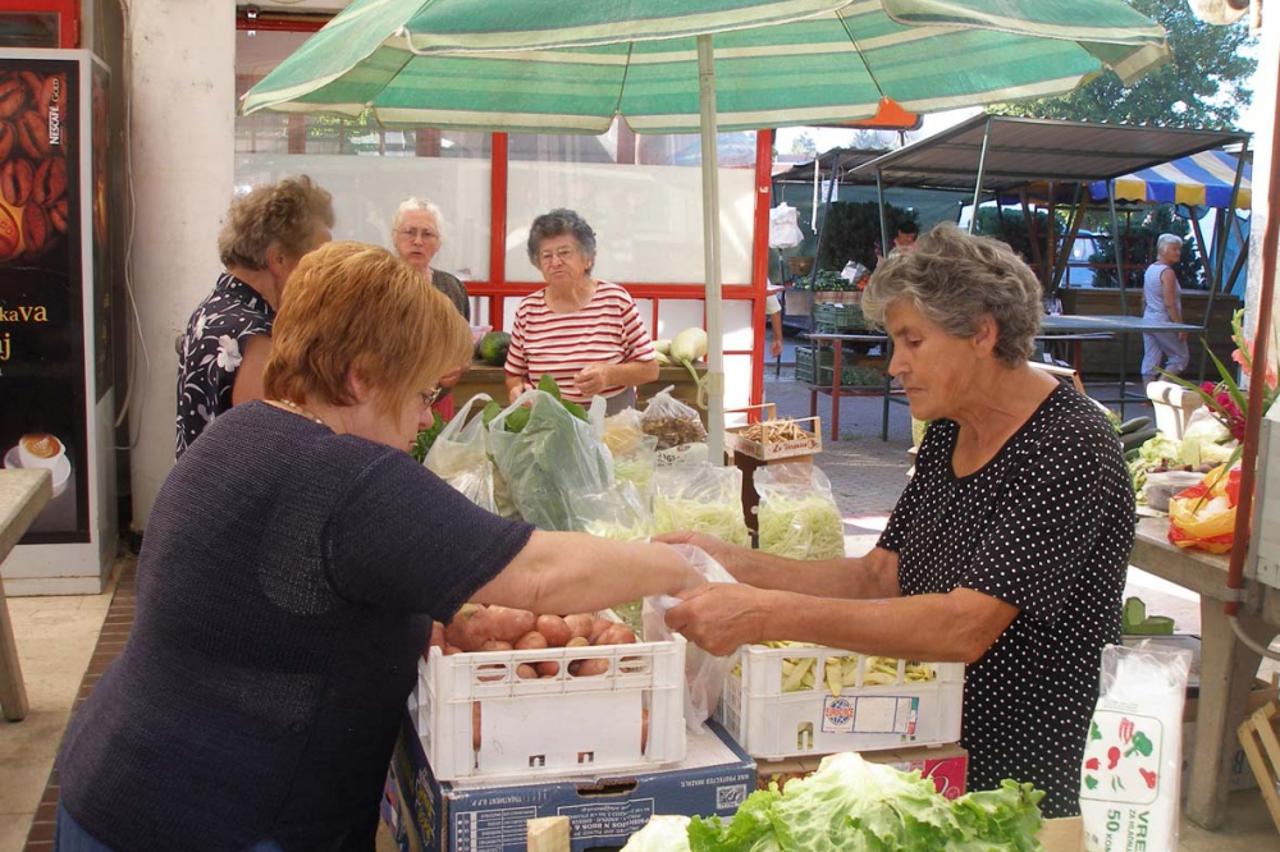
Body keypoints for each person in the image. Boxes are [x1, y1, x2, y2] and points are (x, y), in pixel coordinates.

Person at [56, 242, 700, 851]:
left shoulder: (244, 429)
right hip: (222, 820)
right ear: (361, 378)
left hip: (120, 783)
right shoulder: (348, 476)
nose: (425, 417)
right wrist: (687, 566)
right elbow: (541, 574)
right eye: (422, 393)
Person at [663, 223, 1135, 818]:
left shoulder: (1069, 445)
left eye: (913, 342)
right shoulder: (949, 431)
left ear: (982, 333)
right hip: (927, 735)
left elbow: (965, 627)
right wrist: (731, 561)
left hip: (1024, 767)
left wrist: (763, 614)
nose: (894, 366)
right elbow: (880, 576)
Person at [176, 175, 334, 457]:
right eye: (317, 260)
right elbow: (268, 452)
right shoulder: (256, 337)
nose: (323, 273)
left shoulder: (215, 308)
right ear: (278, 259)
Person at [505, 209, 658, 414]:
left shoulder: (615, 300)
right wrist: (518, 391)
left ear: (588, 258)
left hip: (612, 420)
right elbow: (514, 374)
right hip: (550, 420)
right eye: (546, 256)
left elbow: (650, 369)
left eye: (564, 253)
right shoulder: (528, 309)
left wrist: (609, 375)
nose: (555, 262)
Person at [392, 197, 470, 321]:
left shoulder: (453, 288)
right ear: (395, 237)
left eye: (427, 234)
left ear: (439, 242)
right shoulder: (378, 284)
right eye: (410, 232)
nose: (418, 241)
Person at [1142, 233, 1190, 384]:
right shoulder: (1167, 272)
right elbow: (1170, 303)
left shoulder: (1150, 269)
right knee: (1180, 357)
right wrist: (1180, 326)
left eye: (1179, 249)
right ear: (1163, 250)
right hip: (1164, 320)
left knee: (1151, 357)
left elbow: (1144, 298)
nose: (1178, 253)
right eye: (1174, 249)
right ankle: (1158, 389)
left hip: (1148, 318)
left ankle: (1148, 392)